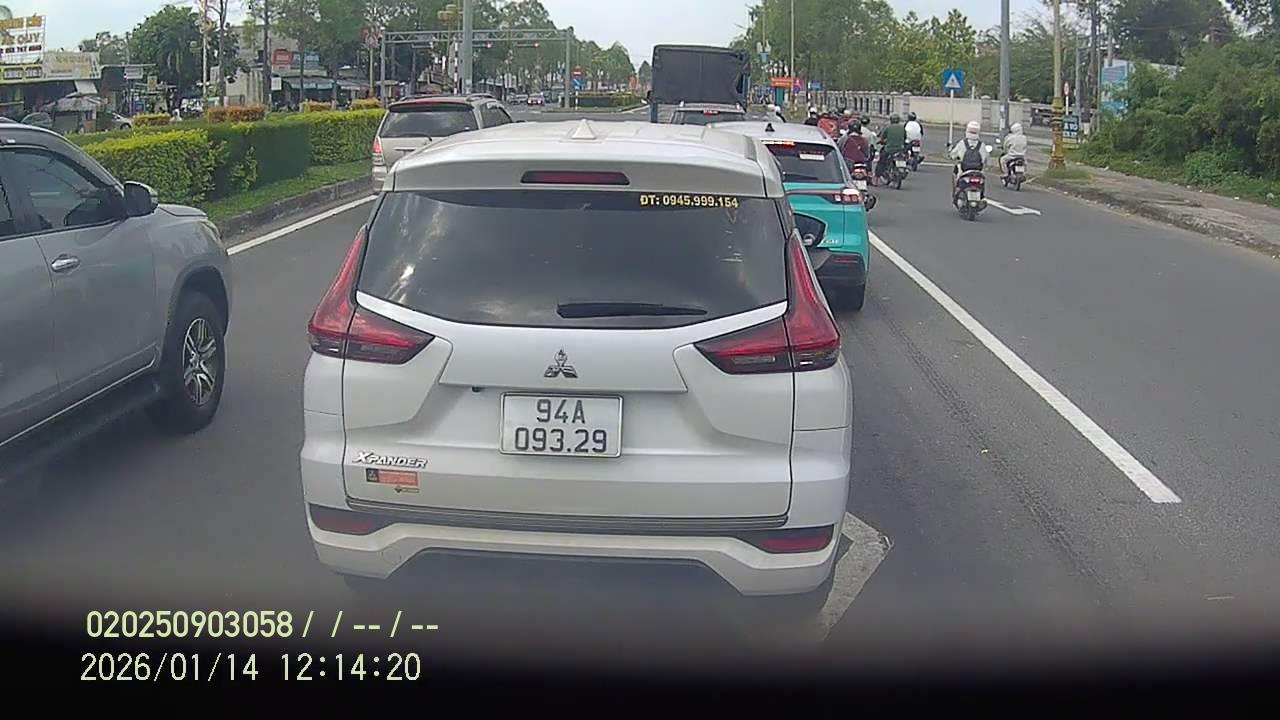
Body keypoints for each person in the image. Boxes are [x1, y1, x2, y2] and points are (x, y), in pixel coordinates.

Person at [875, 113, 907, 179]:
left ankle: (877, 176)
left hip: (889, 149)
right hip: (900, 149)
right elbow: (905, 137)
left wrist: (880, 141)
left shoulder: (888, 127)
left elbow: (882, 138)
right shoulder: (902, 128)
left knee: (881, 161)